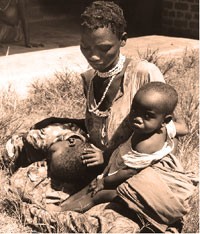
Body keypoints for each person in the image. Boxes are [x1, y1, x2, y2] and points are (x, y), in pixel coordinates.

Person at [5, 1, 190, 233]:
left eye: (104, 48)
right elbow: (103, 124)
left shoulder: (144, 73)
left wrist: (122, 151)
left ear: (122, 40)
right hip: (102, 163)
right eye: (85, 47)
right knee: (27, 181)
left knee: (110, 223)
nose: (93, 56)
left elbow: (180, 125)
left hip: (136, 165)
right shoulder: (91, 78)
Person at [53, 82, 196, 220]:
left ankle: (60, 213)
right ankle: (64, 204)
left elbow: (130, 172)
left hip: (131, 184)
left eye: (147, 116)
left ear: (165, 120)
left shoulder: (144, 144)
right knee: (92, 184)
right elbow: (184, 128)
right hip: (127, 171)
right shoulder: (164, 127)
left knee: (97, 194)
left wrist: (105, 182)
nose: (137, 118)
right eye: (134, 110)